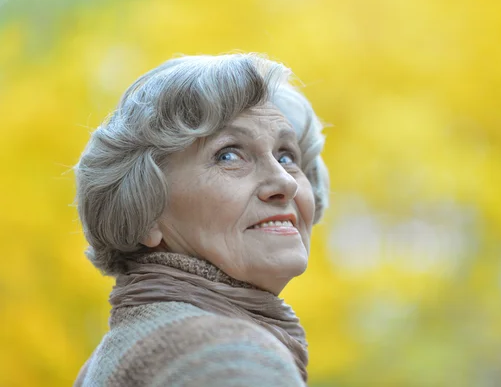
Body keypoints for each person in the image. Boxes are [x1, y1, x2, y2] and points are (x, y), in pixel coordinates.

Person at [73, 53, 329, 386]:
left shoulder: (124, 353)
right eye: (229, 154)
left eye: (286, 155)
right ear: (146, 208)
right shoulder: (228, 357)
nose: (286, 182)